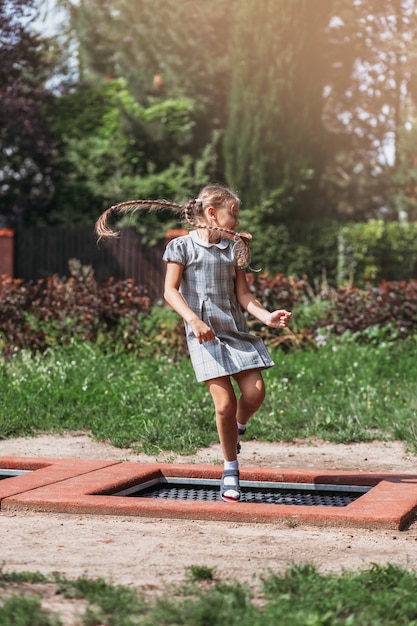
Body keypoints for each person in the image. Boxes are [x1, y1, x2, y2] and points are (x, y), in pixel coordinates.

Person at [95, 182, 291, 503]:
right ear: (212, 213)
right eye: (234, 214)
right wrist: (194, 320)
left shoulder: (236, 247)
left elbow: (243, 294)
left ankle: (237, 429)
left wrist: (267, 316)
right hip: (203, 335)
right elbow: (170, 291)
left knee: (255, 392)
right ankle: (230, 469)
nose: (238, 222)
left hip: (234, 330)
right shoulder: (181, 247)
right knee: (224, 404)